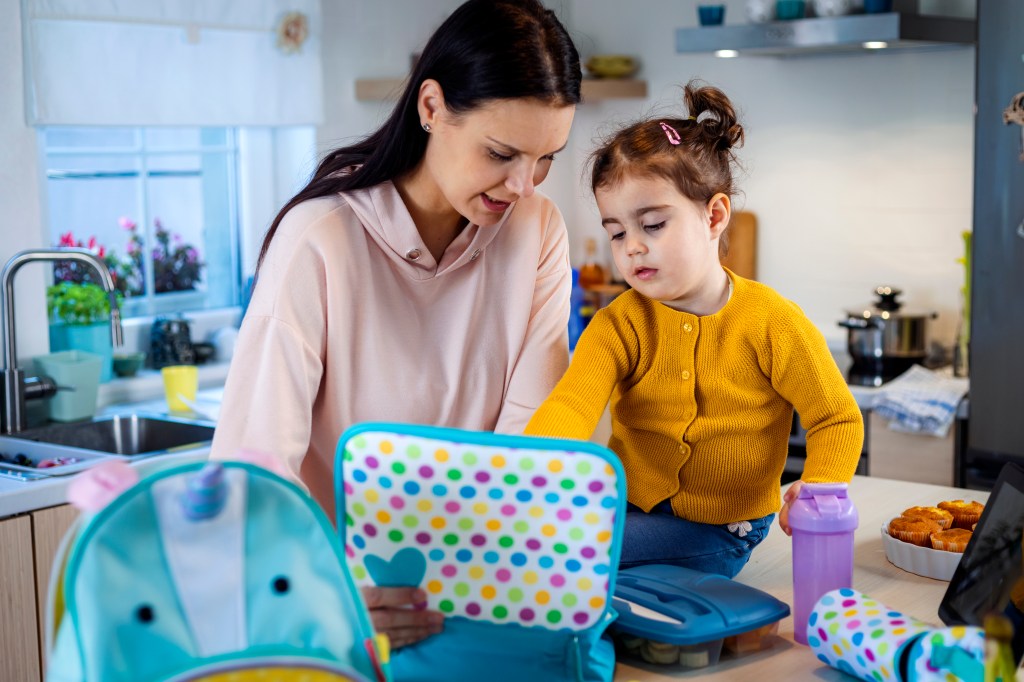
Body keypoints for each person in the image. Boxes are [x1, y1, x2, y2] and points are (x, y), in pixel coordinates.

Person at [210, 0, 582, 649]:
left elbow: (533, 437)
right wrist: (321, 591)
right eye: (502, 153)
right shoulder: (320, 241)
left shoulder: (536, 230)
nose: (524, 184)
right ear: (432, 107)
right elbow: (253, 467)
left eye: (546, 158)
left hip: (478, 597)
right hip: (337, 610)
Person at [524, 80, 864, 578]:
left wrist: (821, 486)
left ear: (715, 215)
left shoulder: (773, 321)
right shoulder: (618, 322)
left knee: (568, 553)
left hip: (723, 529)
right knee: (552, 542)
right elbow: (572, 403)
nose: (632, 247)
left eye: (653, 225)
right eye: (616, 232)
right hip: (632, 509)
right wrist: (533, 470)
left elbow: (835, 417)